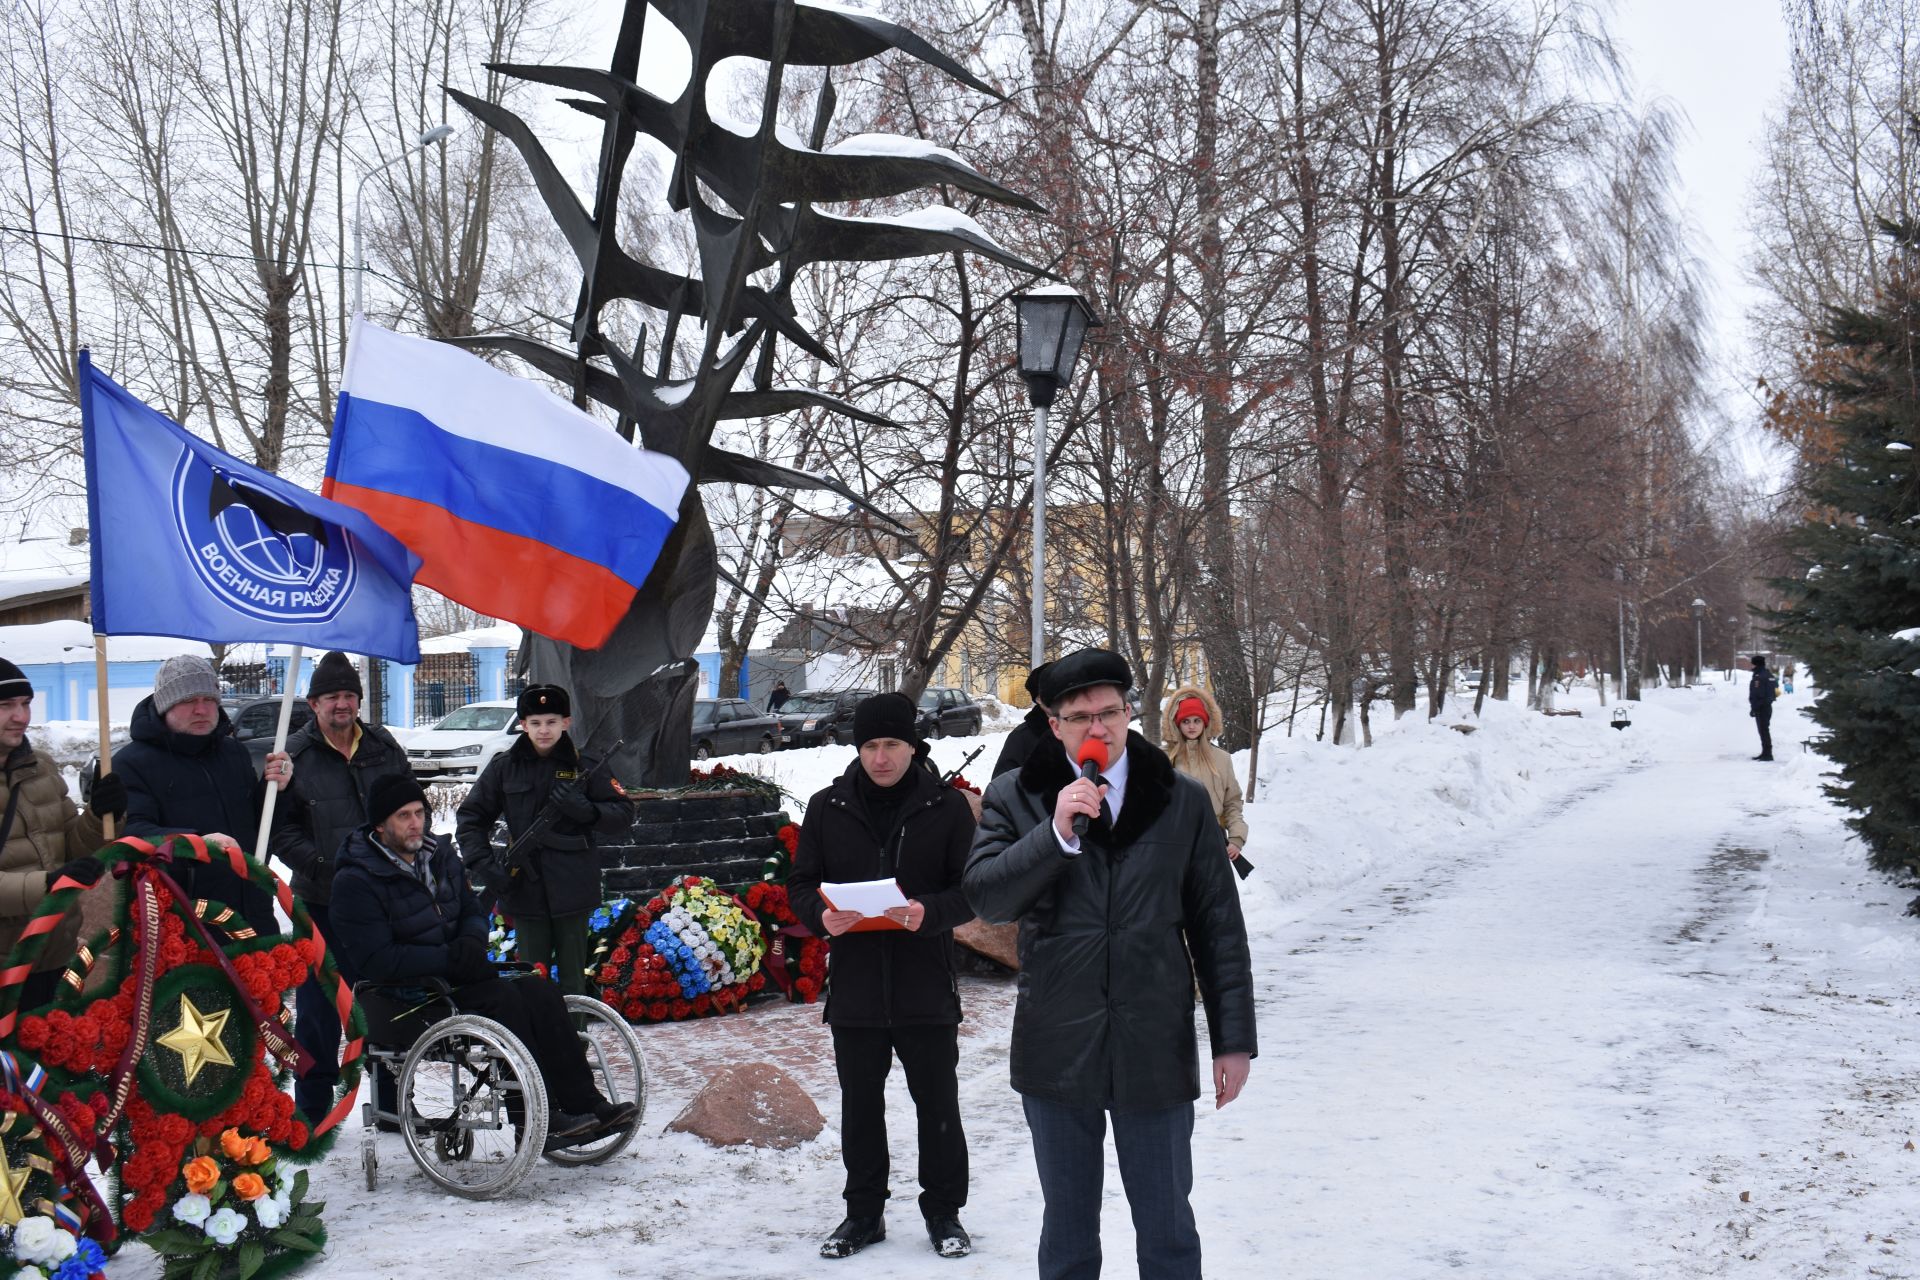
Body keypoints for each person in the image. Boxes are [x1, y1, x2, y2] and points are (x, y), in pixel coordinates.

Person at [964, 648, 1256, 1280]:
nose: (1099, 729)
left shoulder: (1180, 800)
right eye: (1080, 717)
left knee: (1168, 1229)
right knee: (1068, 1235)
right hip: (1057, 1040)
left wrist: (1234, 1040)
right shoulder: (1018, 796)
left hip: (1154, 1037)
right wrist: (1056, 835)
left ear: (1130, 711)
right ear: (1054, 724)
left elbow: (1218, 927)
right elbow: (987, 895)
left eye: (1110, 713)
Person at [330, 774, 636, 1145]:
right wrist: (448, 958)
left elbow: (471, 910)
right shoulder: (356, 880)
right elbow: (376, 959)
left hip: (455, 976)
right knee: (504, 1002)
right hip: (403, 997)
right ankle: (536, 1117)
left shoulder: (439, 855)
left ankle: (586, 1102)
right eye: (403, 816)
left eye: (419, 813)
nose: (415, 823)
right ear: (379, 825)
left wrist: (471, 942)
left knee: (539, 991)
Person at [788, 692, 977, 1261]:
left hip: (925, 981)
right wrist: (821, 917)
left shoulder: (945, 808)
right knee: (860, 1106)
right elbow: (801, 883)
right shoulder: (828, 807)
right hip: (857, 988)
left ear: (913, 747)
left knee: (937, 1104)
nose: (880, 757)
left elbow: (971, 889)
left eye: (891, 744)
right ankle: (863, 1214)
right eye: (870, 745)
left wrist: (930, 913)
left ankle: (944, 1212)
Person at [268, 650, 410, 1126]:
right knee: (318, 1008)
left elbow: (409, 808)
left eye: (349, 695)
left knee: (385, 998)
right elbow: (281, 831)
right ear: (313, 704)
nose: (342, 705)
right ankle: (311, 1107)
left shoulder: (383, 747)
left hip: (381, 901)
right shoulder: (294, 756)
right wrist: (323, 865)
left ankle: (391, 1102)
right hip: (322, 900)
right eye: (332, 697)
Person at [455, 685, 628, 996]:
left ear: (566, 722)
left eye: (551, 722)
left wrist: (587, 811)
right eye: (535, 723)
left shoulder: (584, 765)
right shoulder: (504, 767)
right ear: (522, 725)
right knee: (532, 980)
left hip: (572, 888)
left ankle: (575, 1044)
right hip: (525, 889)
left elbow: (624, 813)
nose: (543, 730)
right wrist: (484, 864)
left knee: (574, 980)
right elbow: (470, 819)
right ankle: (537, 1043)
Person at [115, 654, 288, 935]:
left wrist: (276, 790)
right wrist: (195, 843)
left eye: (209, 699)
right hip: (186, 922)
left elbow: (260, 829)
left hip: (253, 912)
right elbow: (134, 834)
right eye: (188, 700)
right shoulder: (131, 764)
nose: (201, 710)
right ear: (164, 705)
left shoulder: (233, 752)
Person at [0, 659, 125, 1008]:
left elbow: (72, 847)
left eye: (25, 704)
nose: (21, 716)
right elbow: (52, 876)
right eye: (6, 705)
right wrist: (47, 885)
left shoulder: (40, 766)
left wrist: (102, 816)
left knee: (49, 1059)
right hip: (5, 963)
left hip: (54, 955)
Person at [1160, 685, 1248, 865]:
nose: (1191, 726)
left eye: (1196, 720)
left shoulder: (1222, 759)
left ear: (1206, 722)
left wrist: (1236, 838)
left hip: (1212, 841)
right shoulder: (1163, 758)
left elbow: (1232, 802)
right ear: (1177, 724)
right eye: (1185, 721)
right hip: (1173, 844)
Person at [990, 662, 1052, 779]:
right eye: (1052, 690)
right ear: (1038, 698)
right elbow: (1002, 787)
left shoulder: (1082, 728)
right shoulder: (1021, 738)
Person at [1748, 654, 1779, 761]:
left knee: (1763, 730)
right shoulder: (1769, 674)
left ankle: (1767, 754)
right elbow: (1776, 691)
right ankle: (1765, 752)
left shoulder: (1759, 676)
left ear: (1756, 664)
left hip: (1761, 707)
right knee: (1764, 729)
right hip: (1767, 706)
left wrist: (1754, 708)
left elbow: (1758, 694)